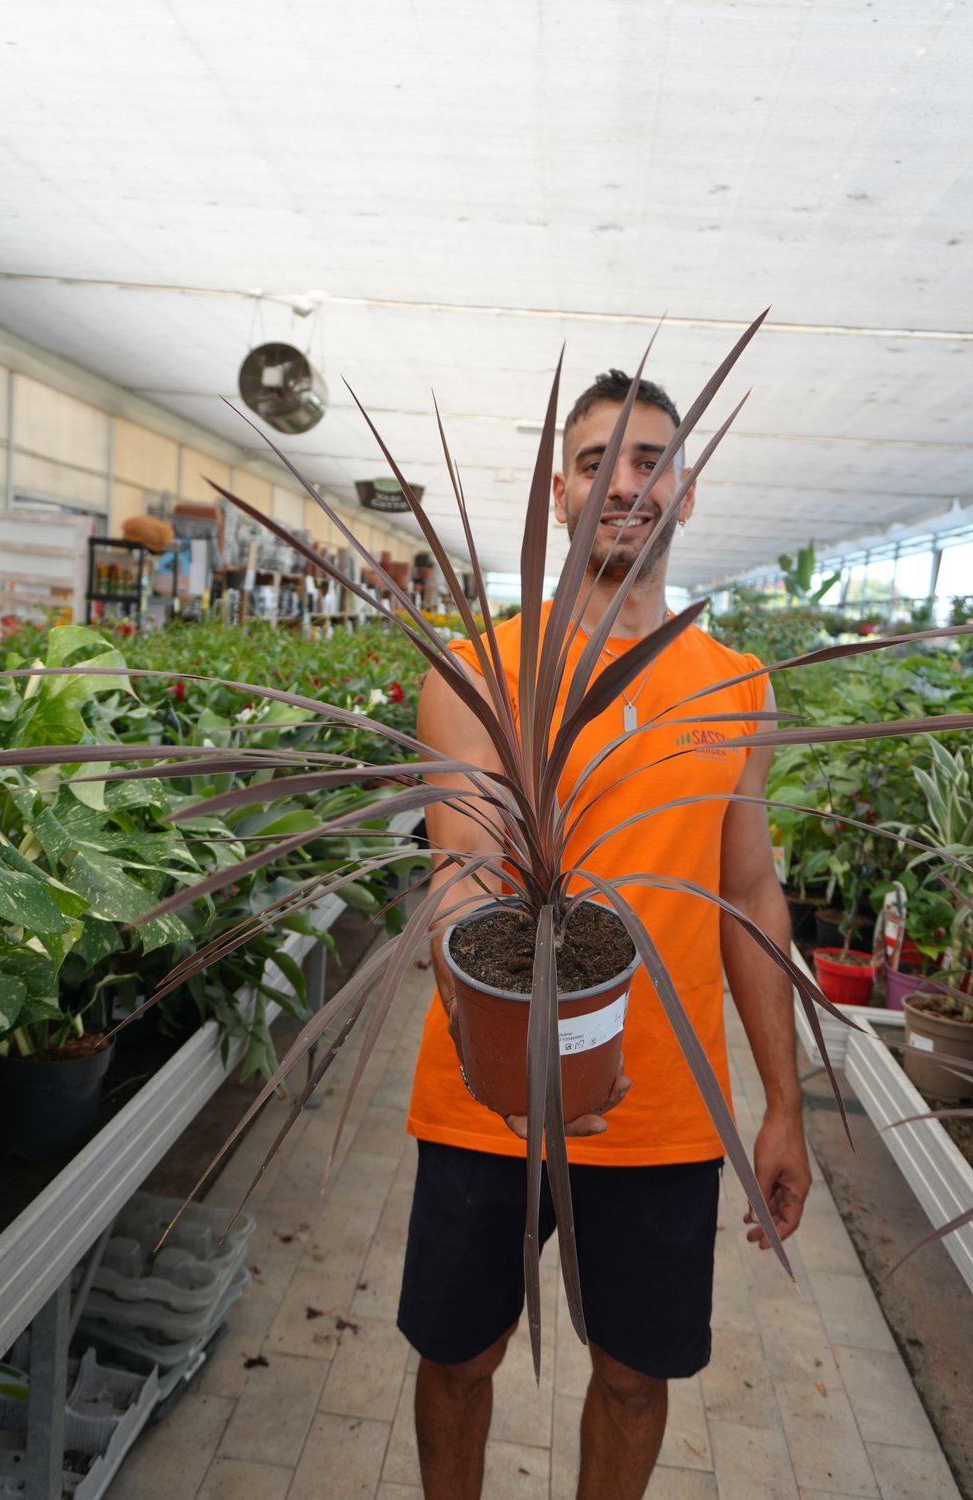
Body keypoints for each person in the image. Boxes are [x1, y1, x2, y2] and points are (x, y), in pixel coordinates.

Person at [397, 370, 811, 1500]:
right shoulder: (480, 669)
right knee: (457, 1356)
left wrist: (780, 1103)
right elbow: (466, 875)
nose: (625, 483)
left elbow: (753, 897)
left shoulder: (737, 687)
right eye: (598, 462)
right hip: (487, 1098)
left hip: (667, 1107)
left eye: (650, 460)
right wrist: (504, 1038)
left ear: (687, 487)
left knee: (634, 1376)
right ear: (558, 490)